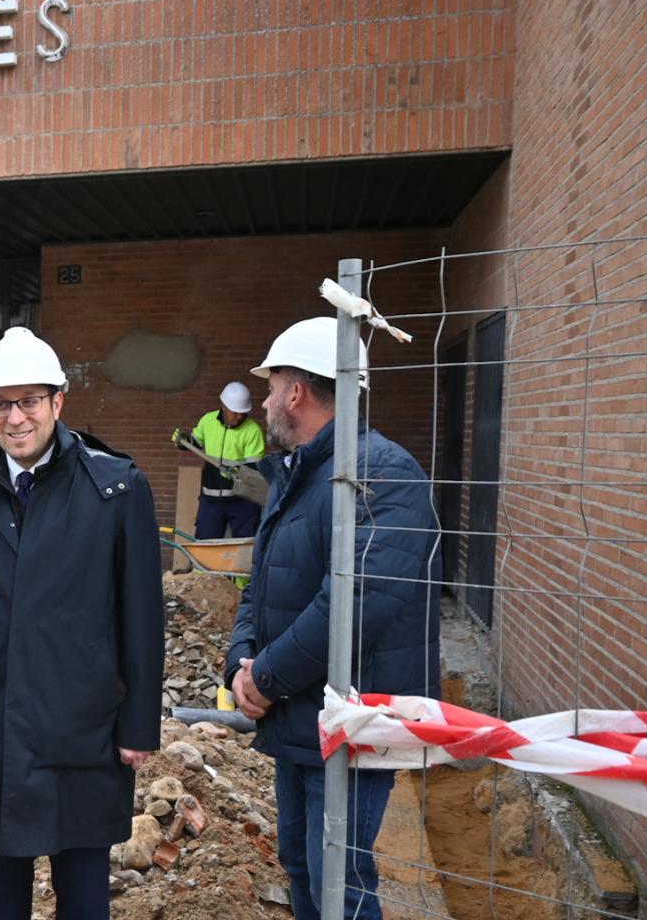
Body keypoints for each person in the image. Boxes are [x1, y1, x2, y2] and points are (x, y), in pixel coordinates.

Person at [0, 327, 164, 920]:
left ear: (58, 403)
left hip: (82, 727)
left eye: (29, 401)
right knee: (2, 891)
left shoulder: (114, 489)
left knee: (84, 893)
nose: (14, 418)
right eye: (0, 403)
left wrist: (138, 724)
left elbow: (140, 617)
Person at [225, 317, 439, 920]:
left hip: (352, 726)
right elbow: (259, 586)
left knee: (338, 887)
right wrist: (241, 664)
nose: (264, 401)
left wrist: (262, 679)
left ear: (295, 392)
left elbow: (354, 605)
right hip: (297, 720)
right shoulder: (299, 474)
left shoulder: (381, 475)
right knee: (300, 866)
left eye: (270, 388)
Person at [186, 381, 265, 539]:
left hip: (242, 499)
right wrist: (185, 440)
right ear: (223, 406)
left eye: (243, 412)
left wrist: (238, 471)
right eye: (235, 412)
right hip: (211, 499)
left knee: (245, 547)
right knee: (205, 548)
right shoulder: (207, 421)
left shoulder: (252, 430)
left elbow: (254, 466)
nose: (240, 416)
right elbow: (196, 441)